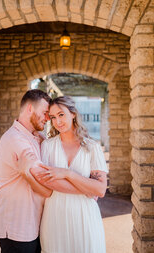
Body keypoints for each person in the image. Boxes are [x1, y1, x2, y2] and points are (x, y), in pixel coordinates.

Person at [31, 96, 108, 253]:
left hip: (85, 218)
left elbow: (100, 190)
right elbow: (47, 183)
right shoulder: (47, 146)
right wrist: (88, 188)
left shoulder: (92, 147)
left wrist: (67, 174)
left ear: (73, 114)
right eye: (52, 117)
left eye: (61, 114)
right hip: (55, 218)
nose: (57, 121)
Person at [0, 89, 52, 253]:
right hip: (17, 226)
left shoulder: (35, 137)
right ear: (30, 109)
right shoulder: (15, 139)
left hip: (32, 224)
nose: (47, 118)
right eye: (45, 113)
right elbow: (45, 182)